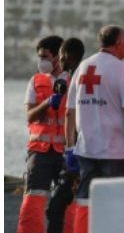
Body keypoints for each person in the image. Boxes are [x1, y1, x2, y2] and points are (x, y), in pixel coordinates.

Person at [65, 25, 124, 233]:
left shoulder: (83, 67)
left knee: (85, 202)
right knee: (118, 204)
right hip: (116, 152)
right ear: (118, 43)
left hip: (86, 150)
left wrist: (69, 148)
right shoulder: (122, 70)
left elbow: (69, 112)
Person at [19, 36, 68, 233]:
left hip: (66, 151)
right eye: (40, 57)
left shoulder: (73, 80)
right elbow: (30, 116)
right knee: (33, 199)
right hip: (39, 151)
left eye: (45, 57)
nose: (42, 61)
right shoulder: (36, 81)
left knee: (67, 202)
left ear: (57, 57)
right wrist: (48, 102)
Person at [45, 38, 85, 233]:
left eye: (60, 56)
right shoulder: (75, 77)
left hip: (78, 152)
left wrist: (70, 150)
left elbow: (71, 115)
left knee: (56, 208)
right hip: (83, 151)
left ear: (67, 56)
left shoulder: (78, 77)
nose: (59, 62)